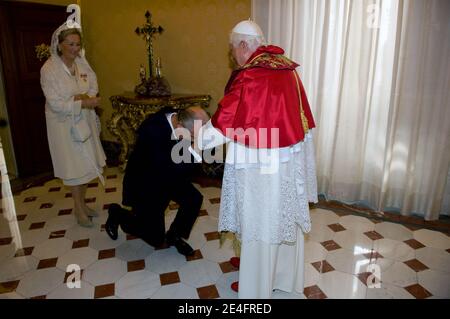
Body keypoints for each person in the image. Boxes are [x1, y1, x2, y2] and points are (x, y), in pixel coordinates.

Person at [197, 20, 318, 298]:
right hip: (286, 160)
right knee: (284, 219)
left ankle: (256, 290)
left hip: (258, 165)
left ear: (243, 45)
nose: (233, 57)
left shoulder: (250, 74)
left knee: (260, 220)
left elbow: (224, 122)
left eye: (232, 50)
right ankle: (285, 279)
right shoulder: (287, 68)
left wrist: (197, 141)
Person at [105, 106, 210, 257]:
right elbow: (169, 168)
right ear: (180, 126)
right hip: (146, 183)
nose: (195, 140)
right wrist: (194, 151)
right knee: (154, 237)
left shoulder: (181, 118)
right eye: (193, 137)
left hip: (170, 174)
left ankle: (174, 235)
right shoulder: (152, 132)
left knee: (193, 199)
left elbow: (181, 169)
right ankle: (117, 213)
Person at [40, 21, 106, 228]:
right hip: (63, 125)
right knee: (74, 168)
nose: (75, 49)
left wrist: (87, 97)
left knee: (86, 166)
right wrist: (83, 101)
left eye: (77, 44)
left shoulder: (82, 63)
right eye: (70, 44)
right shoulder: (49, 69)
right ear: (59, 45)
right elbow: (56, 103)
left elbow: (93, 84)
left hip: (84, 121)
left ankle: (83, 205)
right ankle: (78, 208)